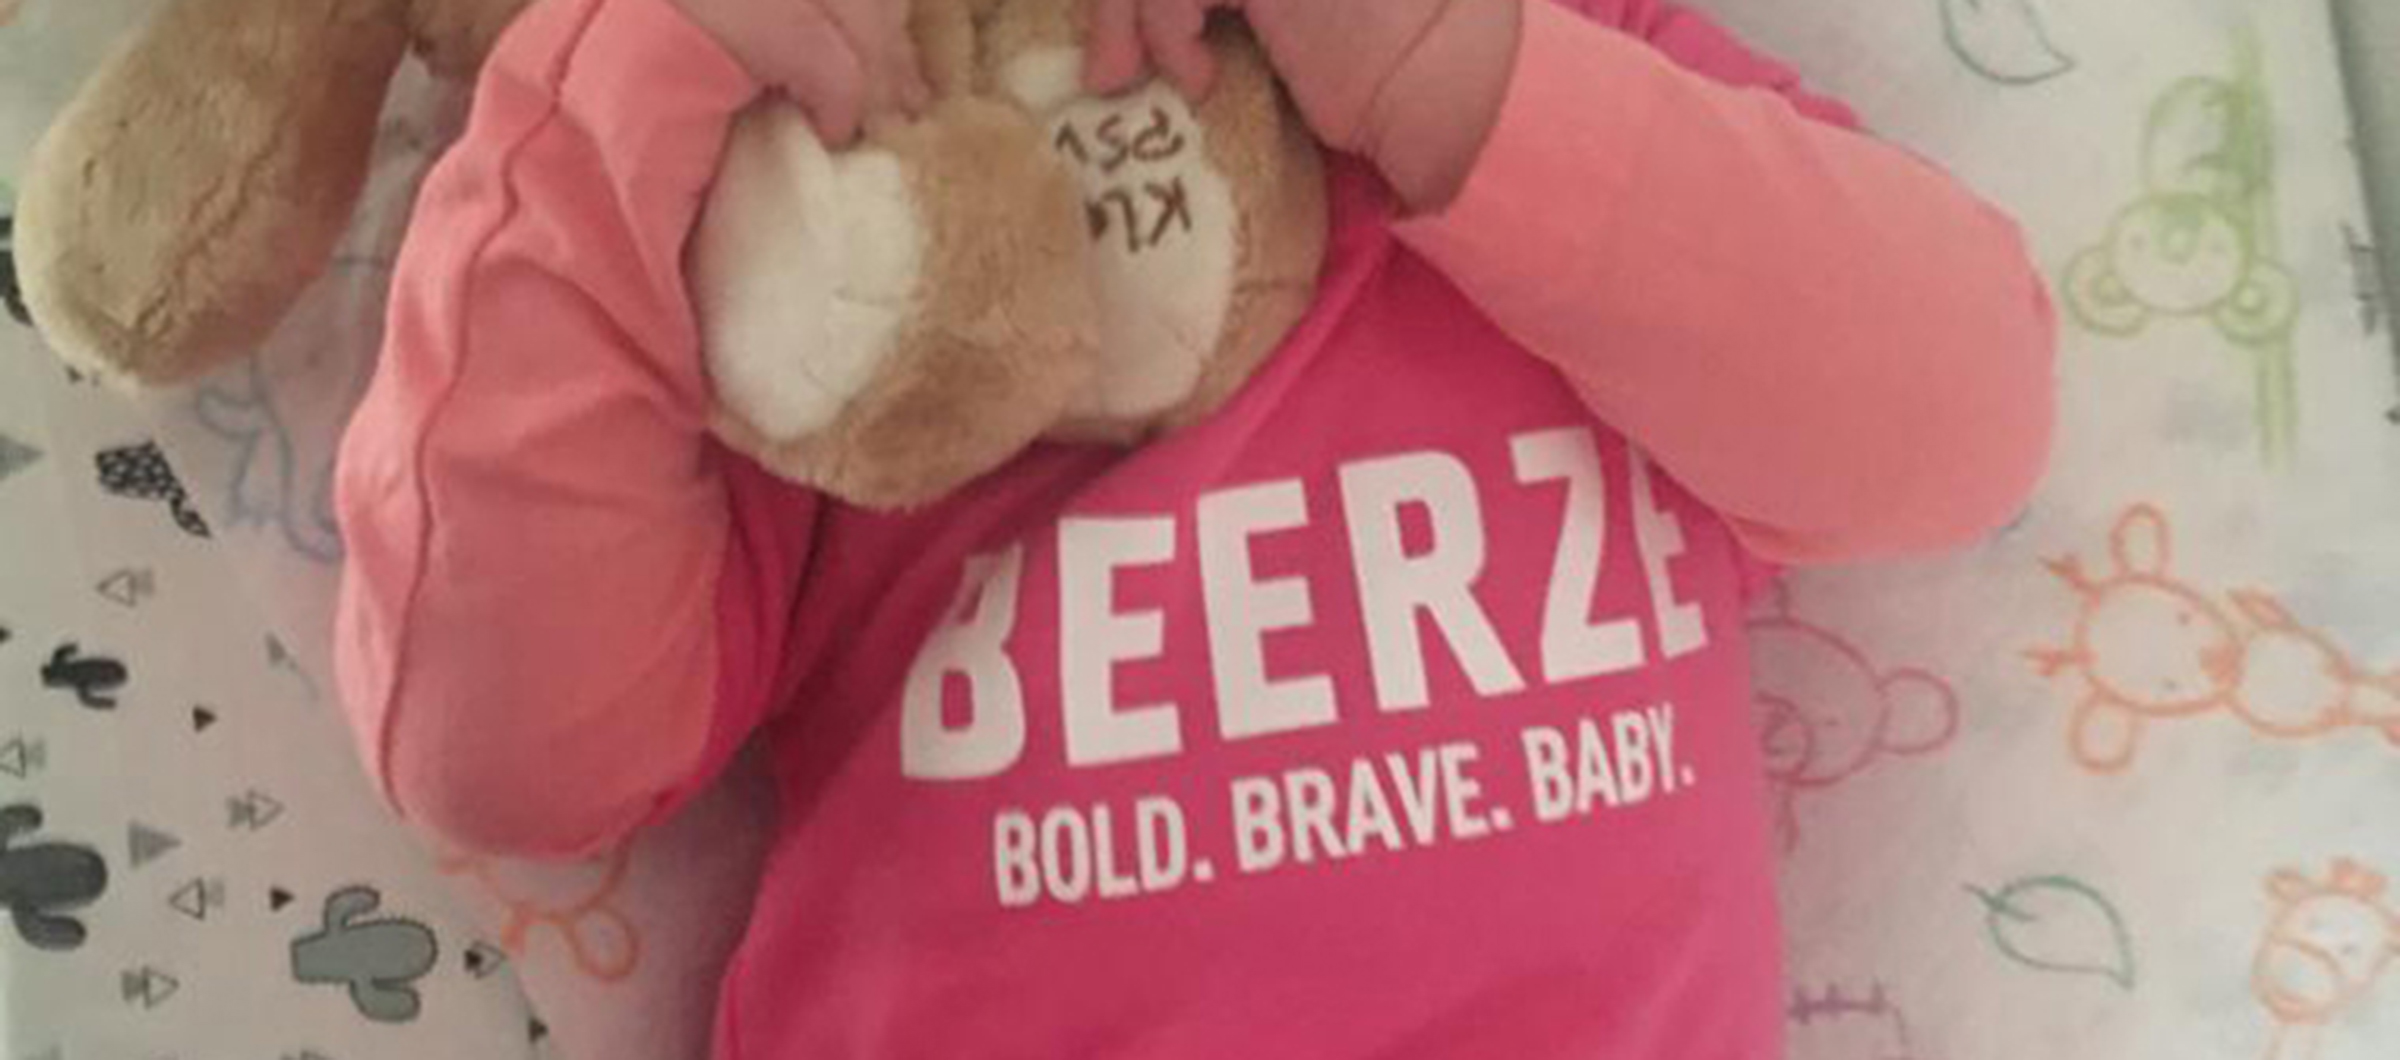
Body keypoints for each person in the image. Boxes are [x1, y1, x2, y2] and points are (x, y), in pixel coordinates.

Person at [331, 0, 2056, 1054]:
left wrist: (1444, 68)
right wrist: (612, 98)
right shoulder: (820, 221)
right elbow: (514, 758)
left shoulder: (1574, 61)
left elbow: (1956, 421)